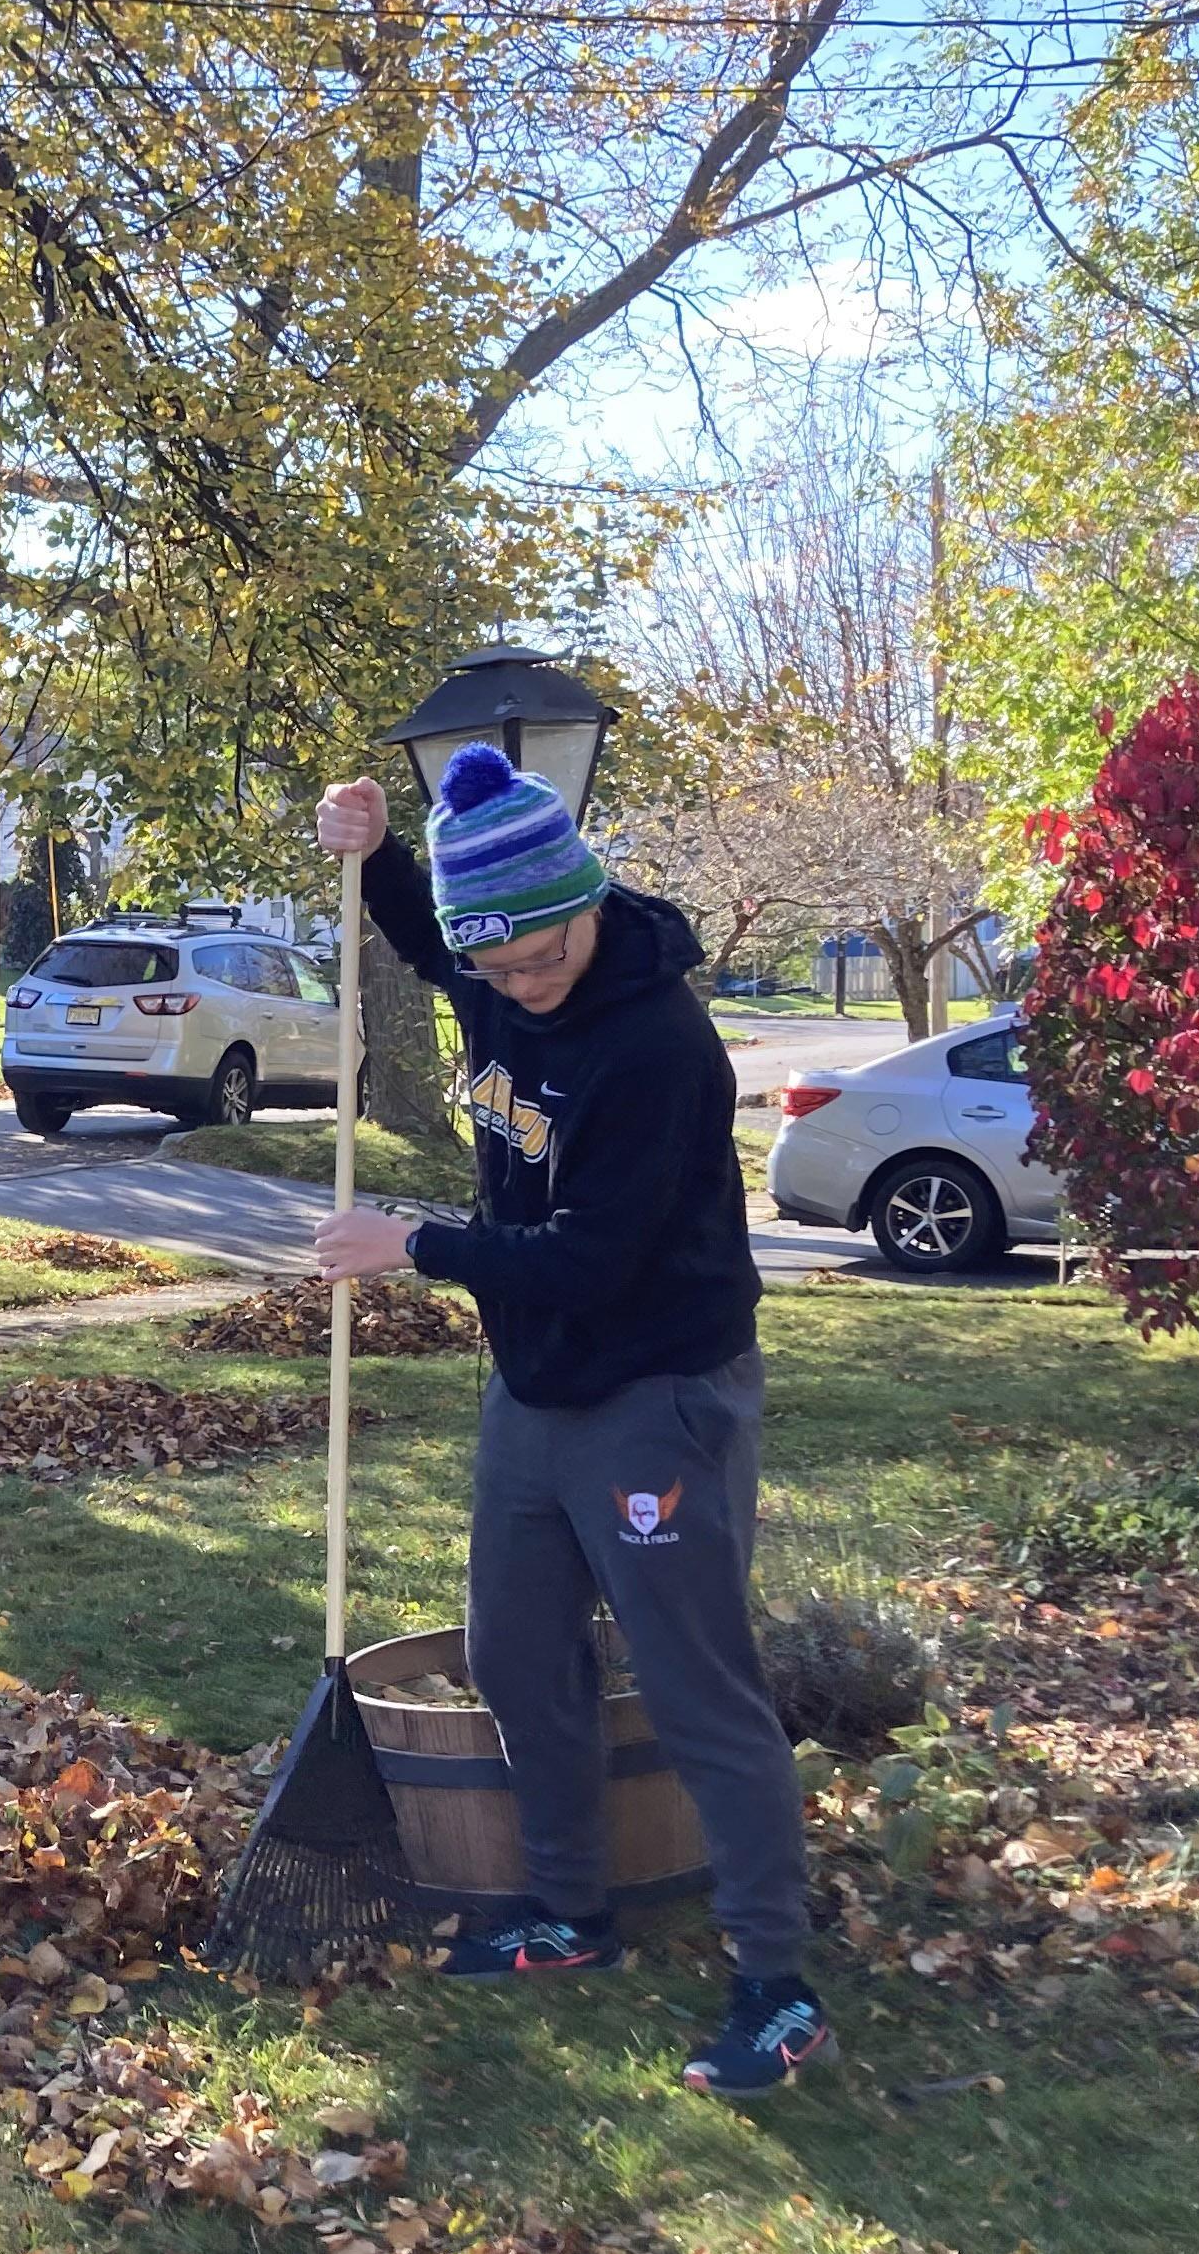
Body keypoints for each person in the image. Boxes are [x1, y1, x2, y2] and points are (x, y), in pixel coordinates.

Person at [310, 746, 829, 2096]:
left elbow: (596, 1258)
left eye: (544, 961)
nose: (523, 990)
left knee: (696, 1681)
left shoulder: (658, 1047)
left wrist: (413, 1245)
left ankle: (777, 1981)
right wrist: (374, 853)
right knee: (513, 1649)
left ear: (588, 904)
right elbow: (432, 936)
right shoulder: (494, 967)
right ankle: (567, 1911)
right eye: (502, 973)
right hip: (536, 1386)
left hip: (656, 1388)